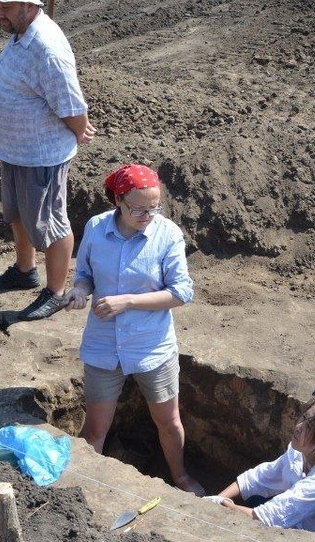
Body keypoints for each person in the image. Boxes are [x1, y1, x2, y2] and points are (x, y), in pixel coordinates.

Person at [64, 163, 204, 496]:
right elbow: (84, 274)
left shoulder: (167, 234)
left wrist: (127, 301)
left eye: (153, 209)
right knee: (95, 429)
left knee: (168, 423)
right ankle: (83, 490)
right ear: (117, 200)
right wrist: (80, 291)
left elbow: (181, 291)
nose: (147, 216)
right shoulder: (97, 228)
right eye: (138, 209)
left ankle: (180, 477)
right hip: (103, 344)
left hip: (151, 346)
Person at [0, 0, 95, 319]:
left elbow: (70, 102)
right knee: (17, 214)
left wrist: (80, 129)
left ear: (29, 5)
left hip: (40, 153)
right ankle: (25, 270)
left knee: (50, 222)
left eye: (6, 6)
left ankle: (56, 291)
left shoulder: (47, 46)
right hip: (14, 149)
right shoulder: (20, 32)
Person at [204, 399, 315, 531]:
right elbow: (259, 478)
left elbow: (266, 518)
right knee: (254, 499)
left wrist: (223, 505)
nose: (298, 427)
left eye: (309, 427)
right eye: (304, 418)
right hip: (301, 522)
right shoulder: (301, 452)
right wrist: (217, 498)